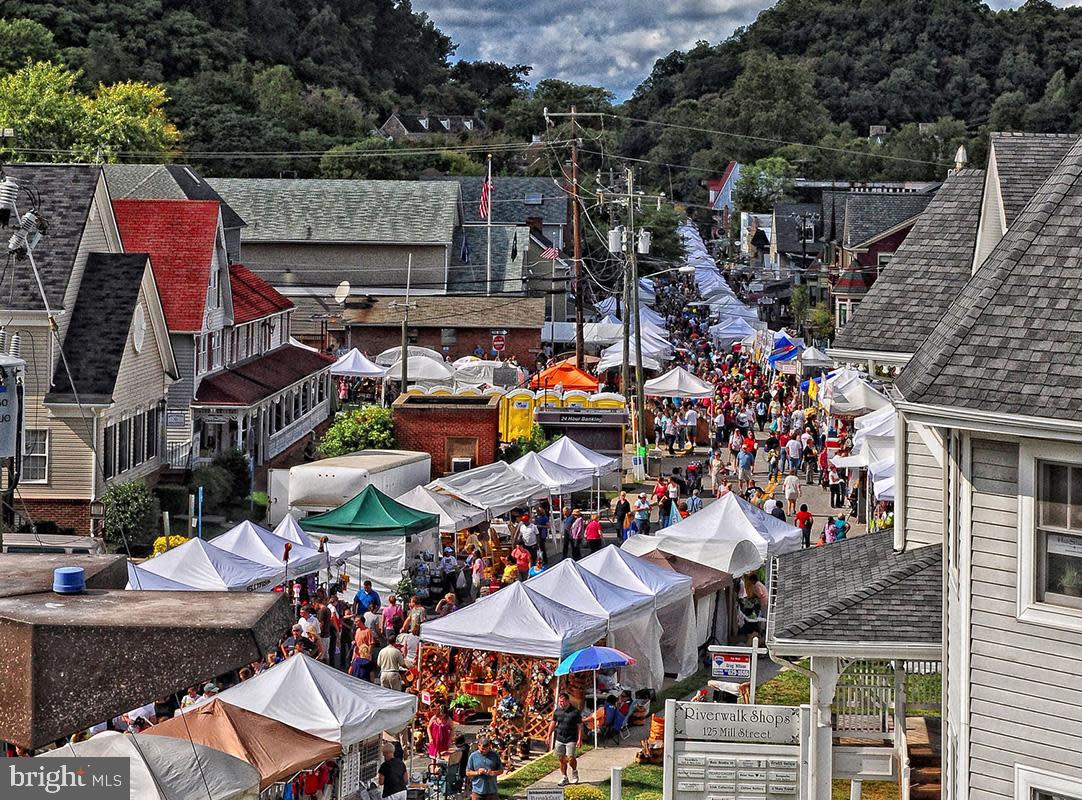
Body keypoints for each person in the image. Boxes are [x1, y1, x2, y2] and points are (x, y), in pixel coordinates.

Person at [548, 691, 583, 786]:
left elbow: (580, 726)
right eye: (559, 701)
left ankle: (574, 771)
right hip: (560, 738)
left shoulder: (575, 712)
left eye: (562, 701)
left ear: (567, 701)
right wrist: (548, 735)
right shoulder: (557, 711)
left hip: (571, 738)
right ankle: (564, 777)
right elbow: (553, 723)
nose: (560, 703)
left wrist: (579, 739)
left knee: (571, 758)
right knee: (562, 759)